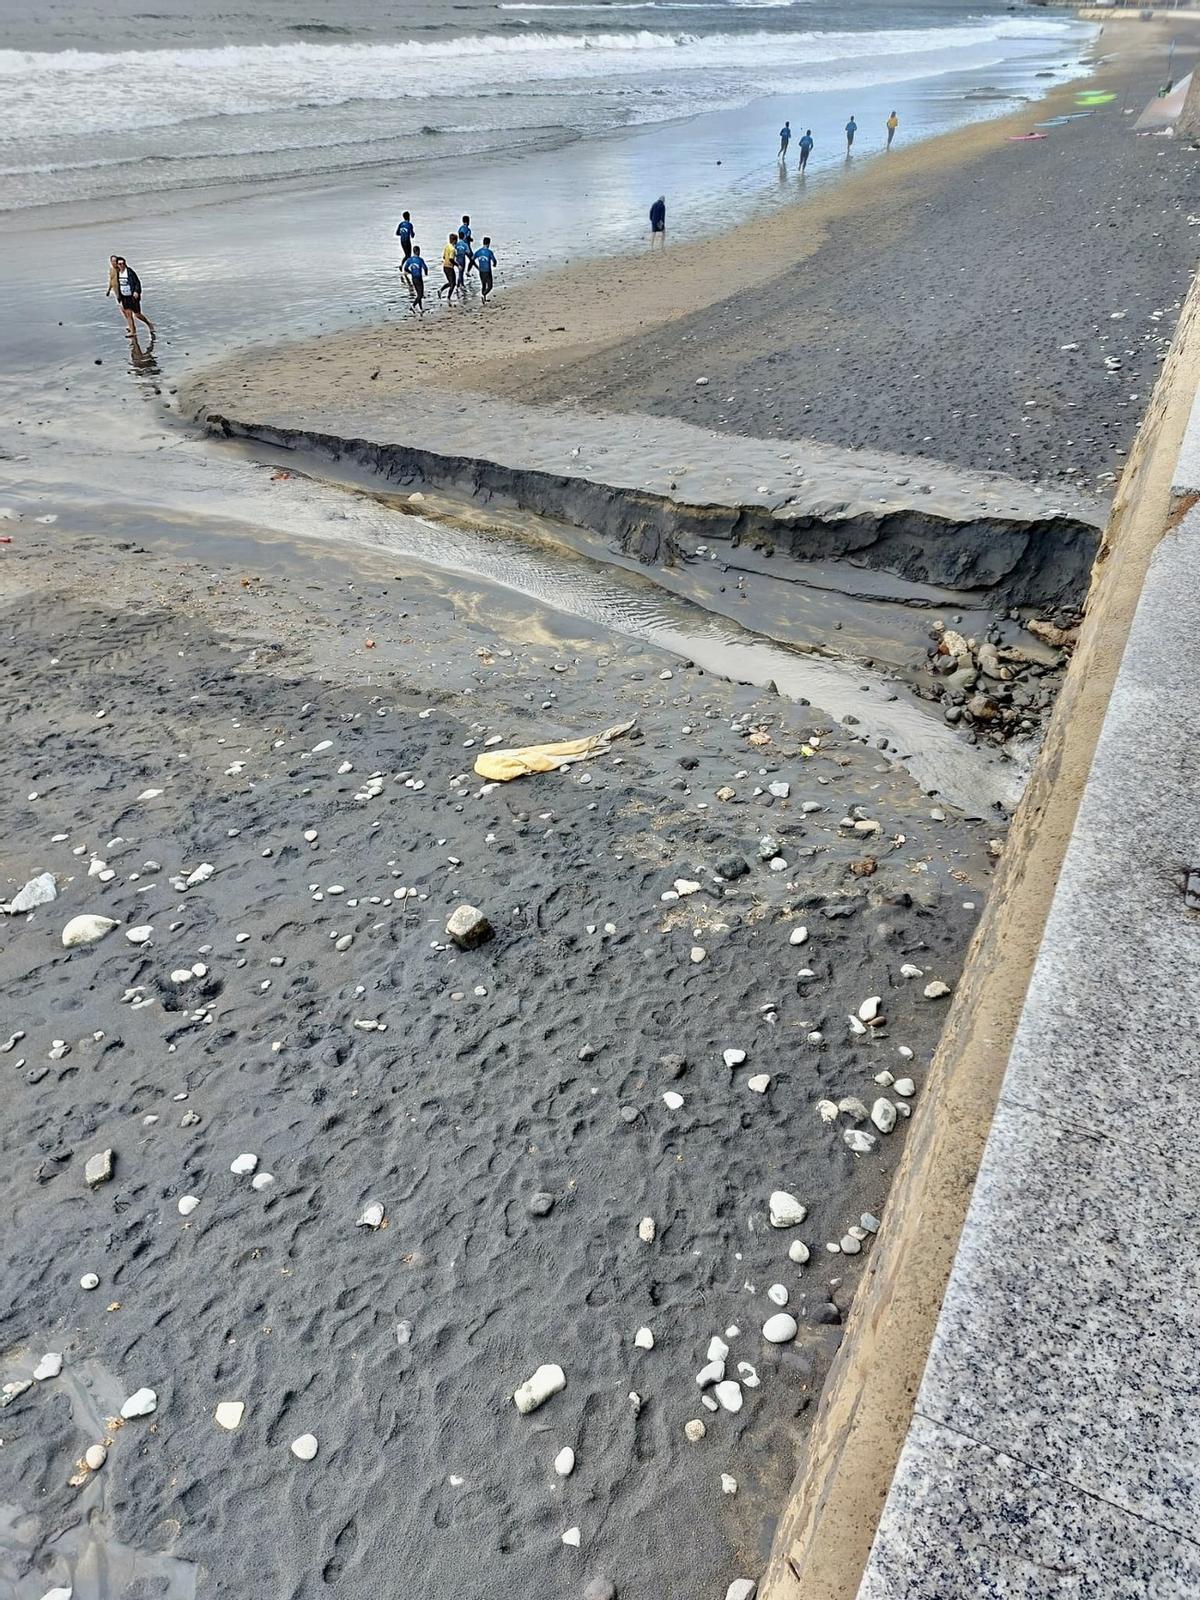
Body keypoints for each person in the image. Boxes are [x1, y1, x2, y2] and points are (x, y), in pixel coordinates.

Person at [106, 255, 154, 339]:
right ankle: (133, 331)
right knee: (128, 314)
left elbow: (137, 282)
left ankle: (149, 324)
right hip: (124, 297)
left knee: (137, 314)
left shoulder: (129, 271)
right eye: (118, 263)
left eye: (122, 263)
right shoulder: (116, 272)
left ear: (125, 263)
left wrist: (136, 291)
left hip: (132, 296)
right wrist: (109, 290)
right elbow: (113, 281)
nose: (120, 265)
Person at [403, 244, 428, 314]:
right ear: (418, 251)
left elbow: (405, 268)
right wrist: (426, 273)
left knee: (418, 294)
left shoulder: (409, 260)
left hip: (413, 278)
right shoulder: (420, 260)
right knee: (421, 294)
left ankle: (420, 308)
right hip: (419, 278)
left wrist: (411, 272)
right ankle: (413, 306)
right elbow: (425, 268)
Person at [472, 236, 497, 303]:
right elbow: (494, 260)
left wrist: (476, 266)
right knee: (490, 286)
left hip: (481, 271)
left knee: (483, 284)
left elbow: (472, 259)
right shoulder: (489, 252)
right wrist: (494, 264)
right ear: (489, 243)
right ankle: (484, 295)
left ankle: (484, 298)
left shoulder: (478, 251)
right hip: (487, 271)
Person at [439, 233, 460, 299]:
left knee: (451, 283)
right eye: (457, 240)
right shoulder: (452, 249)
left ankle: (441, 291)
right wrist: (457, 265)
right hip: (450, 267)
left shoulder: (447, 246)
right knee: (453, 283)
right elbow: (451, 259)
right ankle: (447, 296)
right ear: (454, 240)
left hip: (445, 266)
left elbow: (444, 256)